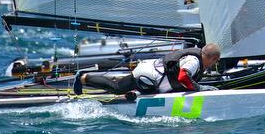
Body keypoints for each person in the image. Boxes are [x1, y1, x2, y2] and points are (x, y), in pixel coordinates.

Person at [73, 43, 221, 96]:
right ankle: (136, 93)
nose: (212, 65)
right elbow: (182, 77)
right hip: (150, 77)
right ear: (213, 59)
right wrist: (199, 88)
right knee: (119, 89)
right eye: (215, 62)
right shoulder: (194, 61)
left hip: (148, 69)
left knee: (116, 87)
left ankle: (83, 78)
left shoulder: (194, 57)